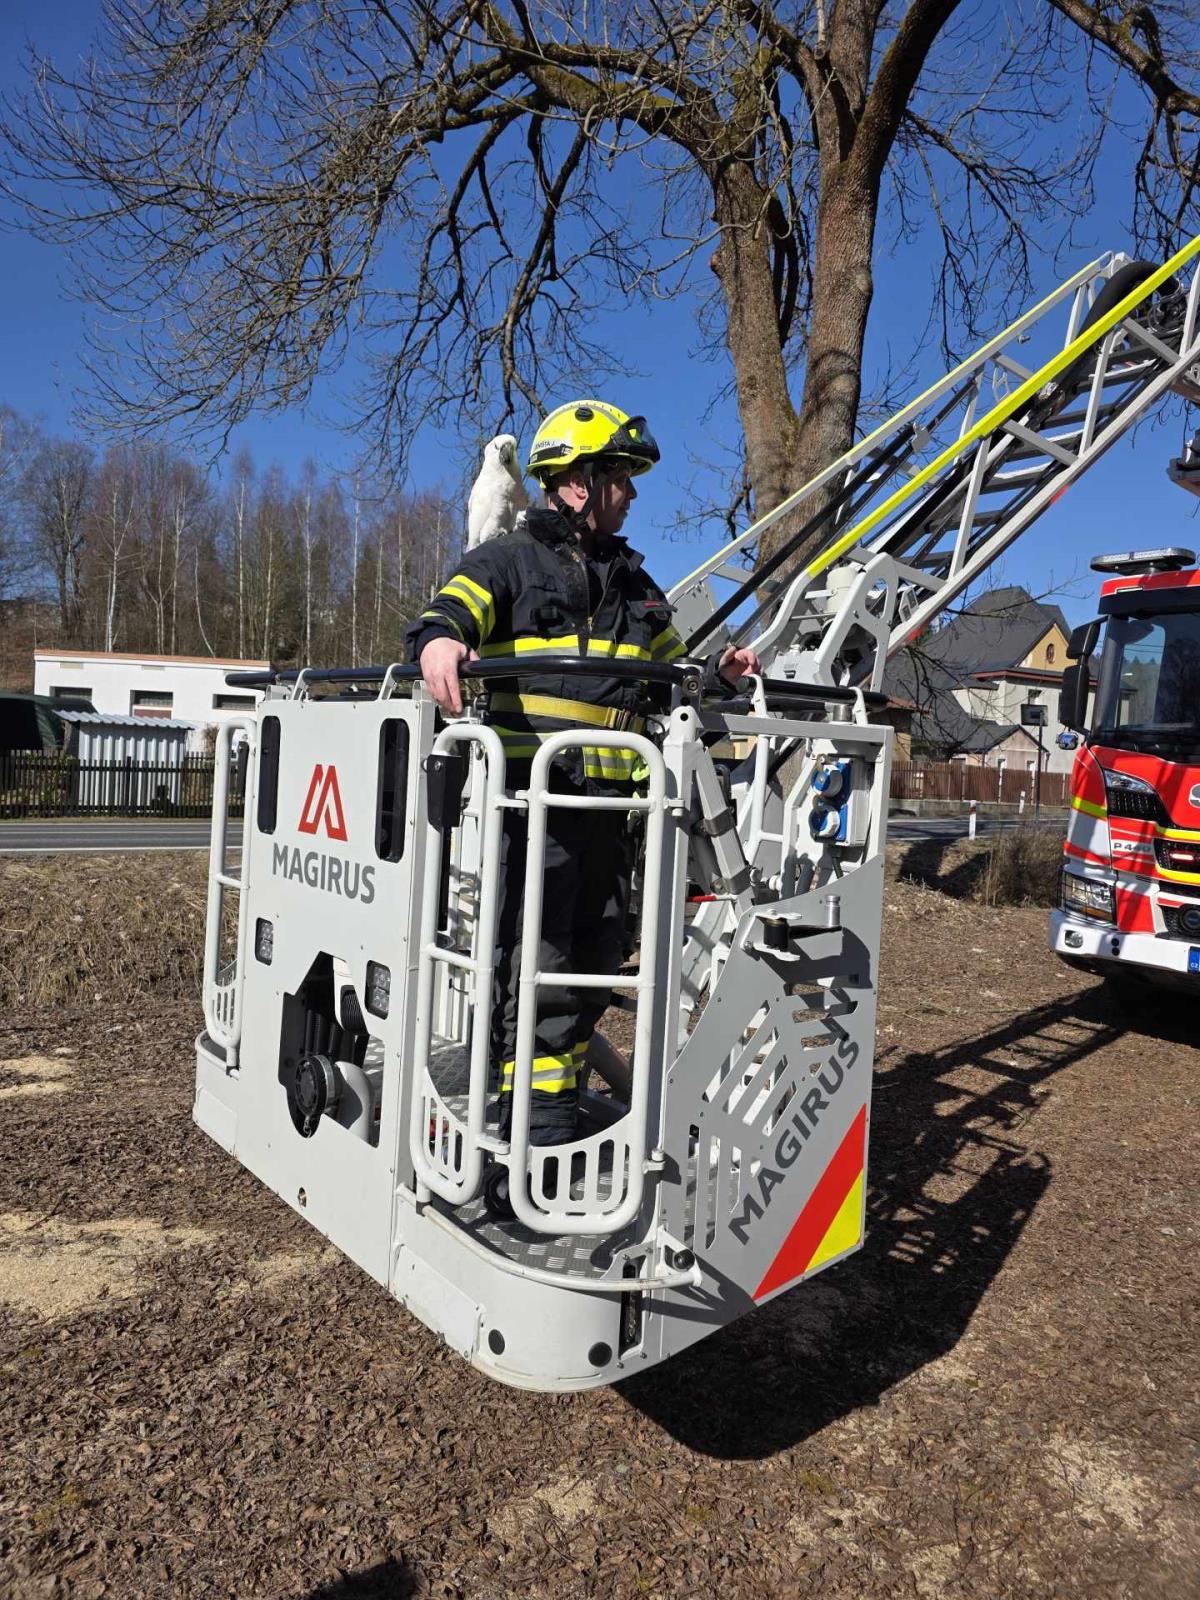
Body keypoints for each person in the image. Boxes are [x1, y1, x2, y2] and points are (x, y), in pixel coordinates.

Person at [405, 400, 759, 1201]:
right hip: (537, 810)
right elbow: (444, 615)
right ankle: (515, 1127)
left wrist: (721, 677)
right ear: (574, 485)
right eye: (620, 479)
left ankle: (551, 1108)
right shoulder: (509, 562)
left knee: (594, 960)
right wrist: (438, 643)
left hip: (615, 815)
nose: (632, 494)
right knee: (533, 962)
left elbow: (672, 672)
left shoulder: (635, 583)